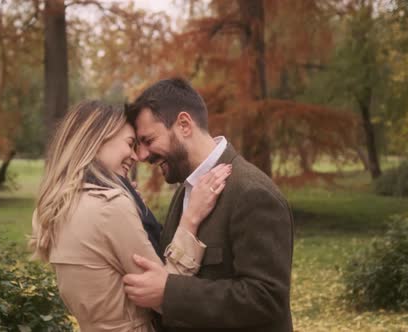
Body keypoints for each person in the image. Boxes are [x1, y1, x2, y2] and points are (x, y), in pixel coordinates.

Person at [29, 100, 231, 332]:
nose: (136, 156)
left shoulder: (61, 204)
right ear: (97, 140)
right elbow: (163, 294)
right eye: (130, 144)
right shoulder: (110, 207)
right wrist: (191, 218)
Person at [123, 78, 295, 332]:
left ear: (184, 124)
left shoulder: (252, 193)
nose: (142, 156)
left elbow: (266, 298)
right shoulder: (185, 190)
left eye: (148, 140)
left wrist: (169, 293)